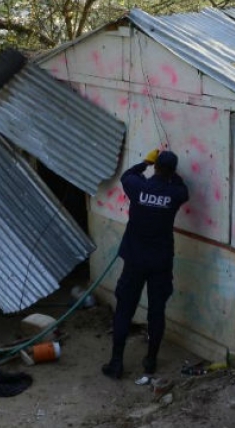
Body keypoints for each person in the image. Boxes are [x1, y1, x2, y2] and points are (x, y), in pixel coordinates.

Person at [102, 149, 189, 379]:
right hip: (160, 263)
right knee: (156, 312)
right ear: (171, 171)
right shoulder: (174, 193)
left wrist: (145, 163)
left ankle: (116, 363)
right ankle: (150, 361)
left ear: (156, 167)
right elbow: (184, 191)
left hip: (134, 260)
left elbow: (127, 175)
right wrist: (173, 175)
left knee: (124, 310)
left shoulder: (138, 187)